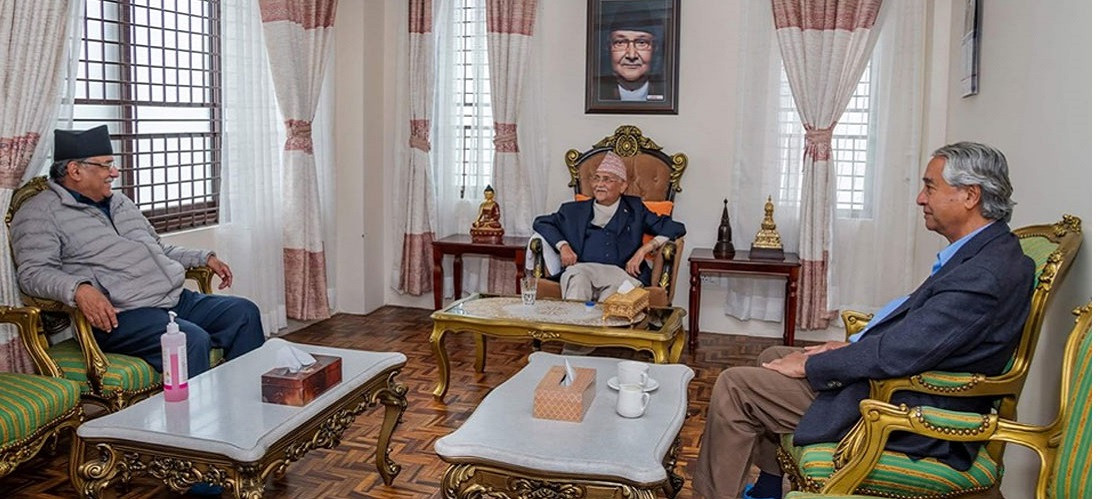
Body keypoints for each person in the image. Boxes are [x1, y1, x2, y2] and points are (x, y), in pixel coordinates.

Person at [693, 142, 1035, 499]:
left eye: (930, 187)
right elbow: (921, 335)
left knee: (735, 386)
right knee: (773, 357)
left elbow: (902, 351)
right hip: (904, 382)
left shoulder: (983, 274)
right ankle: (767, 490)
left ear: (970, 195)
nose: (921, 198)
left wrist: (815, 364)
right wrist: (843, 348)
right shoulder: (983, 253)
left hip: (909, 410)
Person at [10, 125, 265, 378]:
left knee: (243, 312)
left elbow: (157, 248)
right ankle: (196, 406)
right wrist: (79, 289)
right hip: (122, 315)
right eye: (106, 165)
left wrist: (203, 258)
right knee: (189, 340)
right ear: (75, 170)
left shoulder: (120, 202)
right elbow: (32, 273)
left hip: (173, 300)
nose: (114, 172)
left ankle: (245, 395)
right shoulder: (40, 213)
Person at [532, 151, 685, 302]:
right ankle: (575, 319)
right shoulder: (573, 210)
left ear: (623, 186)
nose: (599, 185)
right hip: (583, 270)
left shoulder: (636, 209)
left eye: (607, 180)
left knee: (612, 299)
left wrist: (644, 249)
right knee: (578, 280)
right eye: (596, 178)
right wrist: (563, 246)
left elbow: (675, 227)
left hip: (621, 274)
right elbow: (541, 222)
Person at [599, 1, 665, 102]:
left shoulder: (668, 94)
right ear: (608, 48)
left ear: (655, 48)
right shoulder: (596, 94)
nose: (631, 55)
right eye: (620, 42)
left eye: (641, 43)